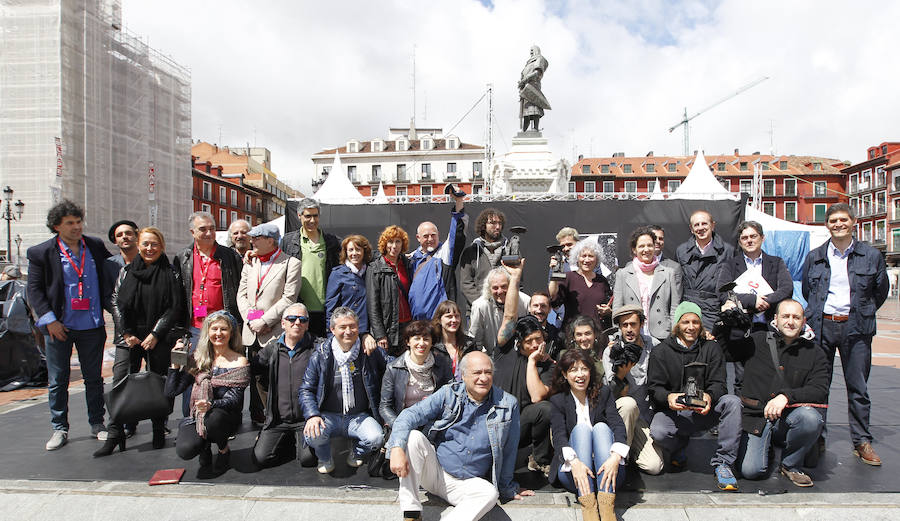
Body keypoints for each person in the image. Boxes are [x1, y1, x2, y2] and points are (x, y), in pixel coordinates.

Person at [387, 351, 533, 521]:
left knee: (490, 493)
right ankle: (411, 514)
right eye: (477, 373)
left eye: (488, 372)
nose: (483, 378)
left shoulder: (507, 404)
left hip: (469, 484)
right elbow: (409, 415)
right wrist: (396, 448)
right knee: (413, 438)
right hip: (437, 473)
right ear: (463, 375)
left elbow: (509, 450)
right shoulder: (449, 394)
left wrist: (508, 488)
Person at [802, 203, 889, 466]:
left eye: (843, 220)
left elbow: (880, 291)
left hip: (856, 328)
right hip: (822, 326)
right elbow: (808, 290)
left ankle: (861, 440)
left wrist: (862, 312)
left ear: (853, 222)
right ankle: (817, 437)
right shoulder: (815, 256)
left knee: (858, 387)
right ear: (826, 225)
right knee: (819, 386)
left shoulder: (871, 256)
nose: (838, 224)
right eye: (833, 221)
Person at [27, 199, 115, 450]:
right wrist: (49, 320)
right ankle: (60, 428)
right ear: (56, 226)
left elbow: (111, 273)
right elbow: (34, 291)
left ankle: (97, 423)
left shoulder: (95, 246)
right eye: (70, 223)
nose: (77, 227)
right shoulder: (40, 252)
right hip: (59, 326)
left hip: (92, 324)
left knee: (94, 378)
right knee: (58, 380)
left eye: (79, 222)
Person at [720, 299, 828, 487]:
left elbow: (819, 390)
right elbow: (726, 352)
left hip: (788, 418)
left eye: (796, 317)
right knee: (751, 471)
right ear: (776, 319)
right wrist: (725, 325)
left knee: (810, 418)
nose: (790, 321)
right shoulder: (757, 339)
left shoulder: (815, 352)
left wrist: (786, 397)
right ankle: (766, 446)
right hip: (756, 417)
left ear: (804, 321)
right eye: (785, 316)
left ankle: (790, 463)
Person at [99, 227, 184, 457]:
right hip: (129, 337)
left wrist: (156, 334)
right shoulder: (127, 271)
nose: (149, 248)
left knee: (158, 384)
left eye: (154, 244)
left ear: (162, 246)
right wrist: (126, 332)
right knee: (120, 382)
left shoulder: (171, 272)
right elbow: (116, 301)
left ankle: (158, 429)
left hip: (158, 337)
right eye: (145, 243)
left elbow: (174, 306)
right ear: (139, 244)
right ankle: (115, 432)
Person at [647, 302, 741, 491]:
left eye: (695, 322)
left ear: (701, 325)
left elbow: (720, 385)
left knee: (733, 402)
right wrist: (668, 397)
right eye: (685, 322)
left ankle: (723, 463)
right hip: (676, 413)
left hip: (703, 412)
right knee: (658, 431)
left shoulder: (712, 348)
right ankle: (677, 447)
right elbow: (654, 388)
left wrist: (709, 395)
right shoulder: (661, 351)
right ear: (677, 325)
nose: (691, 327)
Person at [300, 307, 386, 474]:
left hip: (358, 416)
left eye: (352, 326)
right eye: (342, 327)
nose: (348, 331)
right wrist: (312, 415)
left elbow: (392, 365)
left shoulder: (368, 351)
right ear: (332, 329)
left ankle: (357, 450)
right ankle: (324, 457)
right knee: (313, 434)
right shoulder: (321, 354)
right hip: (328, 416)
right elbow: (306, 389)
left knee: (376, 438)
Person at [174, 211, 243, 416]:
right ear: (192, 232)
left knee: (225, 375)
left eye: (212, 228)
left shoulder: (229, 256)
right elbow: (178, 295)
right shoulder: (182, 258)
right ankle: (191, 419)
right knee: (192, 375)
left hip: (224, 327)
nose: (208, 233)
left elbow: (240, 288)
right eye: (203, 229)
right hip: (195, 328)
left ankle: (225, 420)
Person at [165, 311, 250, 474]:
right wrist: (175, 365)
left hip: (224, 417)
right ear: (207, 332)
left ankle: (223, 449)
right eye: (214, 329)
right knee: (185, 450)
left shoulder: (239, 361)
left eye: (223, 329)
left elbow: (234, 400)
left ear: (231, 333)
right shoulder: (197, 359)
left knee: (214, 419)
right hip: (198, 415)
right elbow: (171, 391)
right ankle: (203, 446)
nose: (218, 333)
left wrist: (211, 404)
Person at [548, 348, 627, 521]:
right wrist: (574, 462)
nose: (580, 375)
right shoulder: (558, 401)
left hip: (607, 472)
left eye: (584, 369)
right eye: (573, 370)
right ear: (564, 374)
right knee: (582, 430)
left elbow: (617, 424)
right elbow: (559, 436)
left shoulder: (603, 393)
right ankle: (589, 510)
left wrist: (615, 458)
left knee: (601, 427)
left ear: (590, 371)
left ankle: (607, 510)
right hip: (574, 473)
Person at [493, 259, 555, 476]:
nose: (535, 345)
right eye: (529, 341)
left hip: (520, 428)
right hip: (492, 425)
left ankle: (539, 459)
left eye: (538, 339)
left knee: (545, 409)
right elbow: (510, 316)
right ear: (520, 342)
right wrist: (515, 278)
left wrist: (532, 361)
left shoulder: (547, 365)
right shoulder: (505, 348)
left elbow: (539, 398)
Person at [716, 221, 793, 394]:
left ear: (762, 238)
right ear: (740, 241)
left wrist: (765, 300)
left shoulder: (776, 262)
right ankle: (743, 419)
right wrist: (752, 300)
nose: (749, 240)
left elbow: (786, 288)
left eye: (753, 236)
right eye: (744, 237)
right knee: (742, 378)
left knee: (771, 374)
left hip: (770, 328)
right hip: (741, 329)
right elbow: (722, 293)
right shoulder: (730, 265)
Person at [237, 223, 302, 425]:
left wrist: (265, 320)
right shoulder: (250, 262)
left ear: (271, 240)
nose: (252, 241)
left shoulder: (291, 263)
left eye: (257, 238)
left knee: (277, 379)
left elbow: (289, 298)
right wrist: (251, 320)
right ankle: (264, 419)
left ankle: (280, 420)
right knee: (257, 377)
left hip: (274, 332)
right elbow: (242, 294)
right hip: (252, 331)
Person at [250, 303, 324, 468]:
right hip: (278, 420)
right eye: (291, 319)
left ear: (307, 324)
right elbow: (252, 370)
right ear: (283, 323)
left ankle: (297, 442)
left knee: (308, 460)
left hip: (305, 419)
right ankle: (286, 441)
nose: (297, 323)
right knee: (260, 459)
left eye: (302, 319)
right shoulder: (272, 349)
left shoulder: (318, 348)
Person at [601, 305, 664, 475]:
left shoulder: (654, 346)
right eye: (624, 325)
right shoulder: (611, 352)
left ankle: (631, 451)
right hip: (621, 413)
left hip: (644, 416)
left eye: (633, 324)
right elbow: (613, 395)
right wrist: (621, 374)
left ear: (641, 324)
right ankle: (620, 461)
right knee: (628, 404)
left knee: (654, 466)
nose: (629, 329)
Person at [281, 198, 341, 337]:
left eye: (315, 216)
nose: (312, 220)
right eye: (308, 216)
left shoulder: (333, 242)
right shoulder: (288, 241)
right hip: (298, 311)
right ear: (299, 216)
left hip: (326, 310)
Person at [613, 226, 682, 342]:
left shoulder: (668, 273)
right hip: (632, 334)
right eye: (641, 246)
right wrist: (619, 334)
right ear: (634, 249)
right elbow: (617, 308)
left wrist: (672, 332)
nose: (646, 249)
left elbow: (674, 307)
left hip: (662, 335)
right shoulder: (623, 274)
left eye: (650, 245)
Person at [380, 320, 453, 428]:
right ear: (408, 341)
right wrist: (399, 426)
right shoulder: (394, 368)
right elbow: (385, 406)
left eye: (426, 339)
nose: (421, 343)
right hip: (405, 423)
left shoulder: (442, 363)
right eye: (417, 338)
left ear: (432, 342)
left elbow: (451, 395)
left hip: (435, 423)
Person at [407, 191, 467, 320]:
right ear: (418, 238)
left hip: (440, 322)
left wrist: (458, 201)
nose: (430, 239)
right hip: (416, 322)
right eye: (426, 236)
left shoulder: (444, 253)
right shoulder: (411, 260)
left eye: (433, 235)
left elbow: (457, 233)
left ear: (438, 234)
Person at [675, 210, 734, 331]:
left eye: (704, 224)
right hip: (689, 309)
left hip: (714, 310)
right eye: (696, 225)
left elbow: (731, 283)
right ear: (691, 229)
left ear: (712, 225)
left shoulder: (728, 251)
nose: (700, 228)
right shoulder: (681, 251)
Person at [367, 225, 413, 357]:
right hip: (389, 328)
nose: (394, 246)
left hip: (408, 325)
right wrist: (380, 334)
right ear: (384, 244)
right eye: (390, 242)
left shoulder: (407, 264)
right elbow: (372, 305)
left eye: (398, 241)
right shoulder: (375, 268)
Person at [549, 239, 613, 332]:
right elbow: (553, 297)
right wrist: (554, 272)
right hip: (574, 334)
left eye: (591, 256)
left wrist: (608, 311)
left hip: (597, 335)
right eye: (583, 256)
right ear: (577, 258)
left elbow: (610, 304)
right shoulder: (567, 276)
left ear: (597, 259)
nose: (586, 260)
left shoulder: (602, 280)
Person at [459, 208, 509, 318]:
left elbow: (517, 281)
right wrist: (483, 304)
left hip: (505, 310)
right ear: (483, 226)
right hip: (477, 310)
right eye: (493, 223)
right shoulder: (471, 251)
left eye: (500, 223)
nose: (497, 227)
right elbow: (466, 283)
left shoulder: (510, 250)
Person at [467, 266, 528, 354]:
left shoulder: (525, 301)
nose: (500, 291)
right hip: (492, 356)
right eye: (495, 288)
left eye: (504, 286)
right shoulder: (480, 306)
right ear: (489, 289)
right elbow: (475, 339)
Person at [325, 235, 373, 335]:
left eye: (358, 249)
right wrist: (331, 335)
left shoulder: (371, 271)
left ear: (364, 251)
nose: (354, 253)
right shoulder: (338, 274)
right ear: (345, 252)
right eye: (350, 250)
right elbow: (331, 308)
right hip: (346, 330)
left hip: (368, 331)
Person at [431, 300, 478, 381]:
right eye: (449, 316)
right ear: (439, 320)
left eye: (457, 316)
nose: (454, 320)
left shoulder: (469, 344)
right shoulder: (432, 346)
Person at [518, 45, 550, 133]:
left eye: (532, 50)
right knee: (526, 111)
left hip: (533, 86)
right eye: (530, 50)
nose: (531, 52)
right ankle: (524, 130)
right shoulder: (527, 64)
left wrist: (526, 79)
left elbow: (537, 72)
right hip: (525, 88)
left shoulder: (539, 59)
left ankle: (535, 128)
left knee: (535, 108)